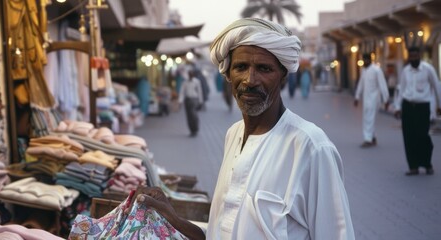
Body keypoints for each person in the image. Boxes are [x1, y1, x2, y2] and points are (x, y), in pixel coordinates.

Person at [134, 18, 354, 239]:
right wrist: (170, 215)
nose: (250, 80)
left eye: (264, 69)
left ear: (283, 76)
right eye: (240, 67)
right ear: (228, 74)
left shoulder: (311, 147)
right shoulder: (233, 135)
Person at [394, 47, 441, 176]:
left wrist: (439, 105)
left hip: (422, 107)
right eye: (411, 57)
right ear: (409, 57)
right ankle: (413, 166)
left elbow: (437, 86)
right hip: (408, 107)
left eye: (415, 56)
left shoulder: (428, 69)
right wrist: (398, 107)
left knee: (423, 137)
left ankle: (427, 164)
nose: (413, 59)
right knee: (409, 137)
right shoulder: (405, 71)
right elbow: (401, 89)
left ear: (419, 55)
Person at [353, 53, 390, 148]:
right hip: (366, 99)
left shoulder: (376, 70)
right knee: (368, 118)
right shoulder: (364, 70)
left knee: (368, 119)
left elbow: (383, 85)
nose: (364, 62)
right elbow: (361, 84)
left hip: (374, 99)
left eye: (366, 60)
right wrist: (357, 96)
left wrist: (386, 100)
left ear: (370, 60)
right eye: (363, 60)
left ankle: (368, 139)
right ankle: (372, 137)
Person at [178, 69, 204, 137]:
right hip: (187, 100)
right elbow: (182, 92)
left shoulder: (197, 82)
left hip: (194, 100)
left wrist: (201, 101)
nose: (190, 75)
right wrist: (180, 101)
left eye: (191, 74)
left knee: (194, 115)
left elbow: (199, 91)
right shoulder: (185, 82)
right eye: (189, 74)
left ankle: (196, 128)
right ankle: (192, 130)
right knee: (189, 116)